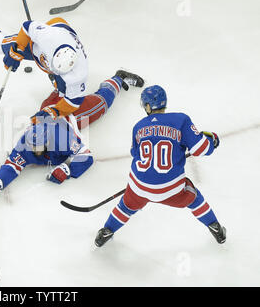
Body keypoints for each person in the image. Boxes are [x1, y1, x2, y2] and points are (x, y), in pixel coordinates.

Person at [0, 70, 144, 200]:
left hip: (71, 114)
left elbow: (86, 156)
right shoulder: (25, 144)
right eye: (32, 146)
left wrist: (66, 169)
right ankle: (61, 84)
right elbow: (12, 165)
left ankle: (117, 79)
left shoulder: (61, 139)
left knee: (101, 103)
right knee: (59, 95)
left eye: (37, 147)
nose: (34, 150)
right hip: (48, 109)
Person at [94, 85, 226, 247]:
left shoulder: (138, 126)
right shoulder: (181, 120)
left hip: (139, 186)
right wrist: (212, 141)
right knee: (194, 197)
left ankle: (106, 232)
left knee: (126, 206)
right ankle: (215, 227)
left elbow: (136, 155)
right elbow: (201, 149)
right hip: (171, 189)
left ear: (148, 106)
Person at [0, 18, 144, 123]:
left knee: (96, 107)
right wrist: (17, 51)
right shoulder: (50, 38)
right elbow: (27, 27)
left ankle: (119, 79)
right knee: (1, 44)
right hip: (50, 34)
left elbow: (73, 102)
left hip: (60, 64)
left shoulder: (77, 74)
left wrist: (53, 112)